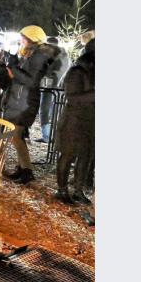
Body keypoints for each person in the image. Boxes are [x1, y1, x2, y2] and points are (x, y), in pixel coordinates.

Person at [1, 25, 60, 184]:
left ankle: (27, 172)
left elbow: (30, 81)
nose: (21, 40)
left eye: (24, 38)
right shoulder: (30, 54)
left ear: (32, 39)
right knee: (17, 136)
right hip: (20, 101)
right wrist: (13, 62)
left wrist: (13, 67)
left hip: (25, 103)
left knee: (16, 136)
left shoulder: (39, 56)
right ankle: (23, 169)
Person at [55, 37, 94, 204]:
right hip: (73, 121)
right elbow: (72, 97)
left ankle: (78, 191)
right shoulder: (76, 71)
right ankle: (62, 190)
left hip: (90, 121)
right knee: (68, 155)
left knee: (85, 157)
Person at [37, 36, 70, 142]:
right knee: (51, 111)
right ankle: (50, 136)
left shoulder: (59, 57)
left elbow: (55, 74)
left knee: (48, 111)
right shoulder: (62, 56)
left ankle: (49, 136)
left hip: (52, 88)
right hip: (56, 88)